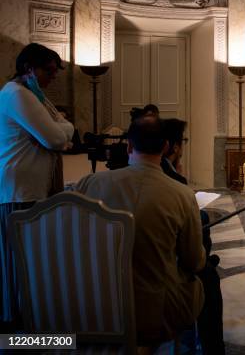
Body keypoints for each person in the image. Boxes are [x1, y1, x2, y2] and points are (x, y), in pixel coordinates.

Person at [74, 116, 206, 344]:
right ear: (166, 147)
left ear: (129, 146)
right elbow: (193, 262)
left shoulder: (88, 184)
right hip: (154, 317)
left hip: (96, 309)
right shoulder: (182, 194)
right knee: (206, 281)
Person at [0, 43, 74, 329]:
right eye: (49, 71)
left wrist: (60, 127)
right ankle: (17, 328)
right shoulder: (18, 94)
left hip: (25, 187)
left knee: (24, 260)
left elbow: (62, 129)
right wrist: (59, 128)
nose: (52, 77)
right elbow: (56, 139)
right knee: (17, 262)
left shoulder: (27, 95)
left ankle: (24, 322)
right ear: (28, 69)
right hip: (19, 189)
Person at [160, 118, 225, 353]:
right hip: (161, 276)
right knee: (207, 275)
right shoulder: (175, 185)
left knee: (202, 221)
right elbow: (192, 259)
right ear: (174, 147)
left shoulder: (100, 182)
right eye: (183, 143)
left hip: (121, 272)